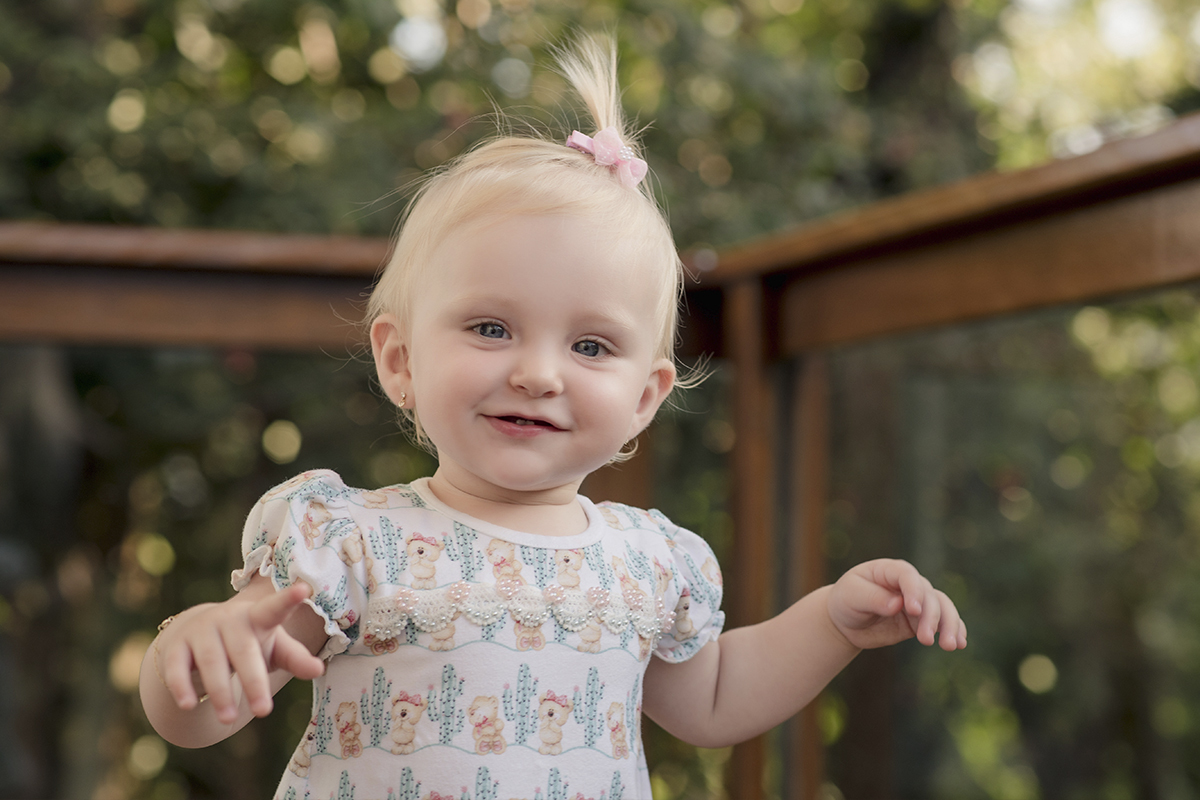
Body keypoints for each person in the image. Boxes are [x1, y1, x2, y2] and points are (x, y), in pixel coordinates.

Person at [139, 35, 967, 800]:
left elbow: (713, 700)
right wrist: (195, 649)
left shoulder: (649, 563)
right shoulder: (352, 545)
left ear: (643, 399)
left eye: (591, 346)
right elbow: (204, 712)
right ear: (400, 361)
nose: (537, 375)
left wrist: (831, 622)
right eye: (490, 328)